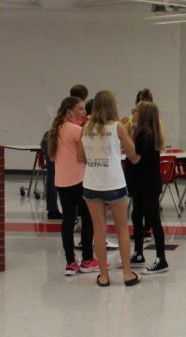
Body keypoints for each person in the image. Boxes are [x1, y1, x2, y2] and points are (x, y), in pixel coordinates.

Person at [77, 90, 140, 287]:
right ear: (111, 106)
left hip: (92, 184)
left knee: (99, 231)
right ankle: (128, 274)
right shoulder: (117, 127)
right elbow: (133, 154)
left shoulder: (85, 128)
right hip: (114, 183)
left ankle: (103, 276)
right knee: (122, 229)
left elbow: (80, 158)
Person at [46, 96, 97, 276]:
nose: (84, 112)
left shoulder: (57, 129)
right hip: (79, 181)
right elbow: (88, 152)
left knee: (68, 220)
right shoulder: (77, 130)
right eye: (81, 109)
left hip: (61, 182)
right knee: (88, 219)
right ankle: (87, 259)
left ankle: (70, 261)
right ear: (70, 112)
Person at [128, 101, 169, 274]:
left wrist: (126, 143)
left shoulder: (144, 134)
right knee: (136, 215)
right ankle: (138, 253)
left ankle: (161, 259)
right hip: (142, 182)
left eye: (135, 110)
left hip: (147, 183)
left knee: (153, 220)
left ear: (143, 114)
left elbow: (135, 158)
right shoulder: (145, 132)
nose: (132, 113)